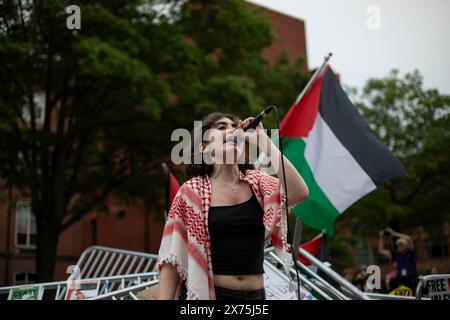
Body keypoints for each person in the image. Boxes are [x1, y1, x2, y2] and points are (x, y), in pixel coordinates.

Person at [157, 112, 309, 300]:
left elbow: (299, 192)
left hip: (256, 297)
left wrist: (263, 141)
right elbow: (172, 260)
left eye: (234, 127)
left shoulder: (259, 183)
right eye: (222, 127)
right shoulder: (191, 193)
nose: (231, 131)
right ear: (204, 148)